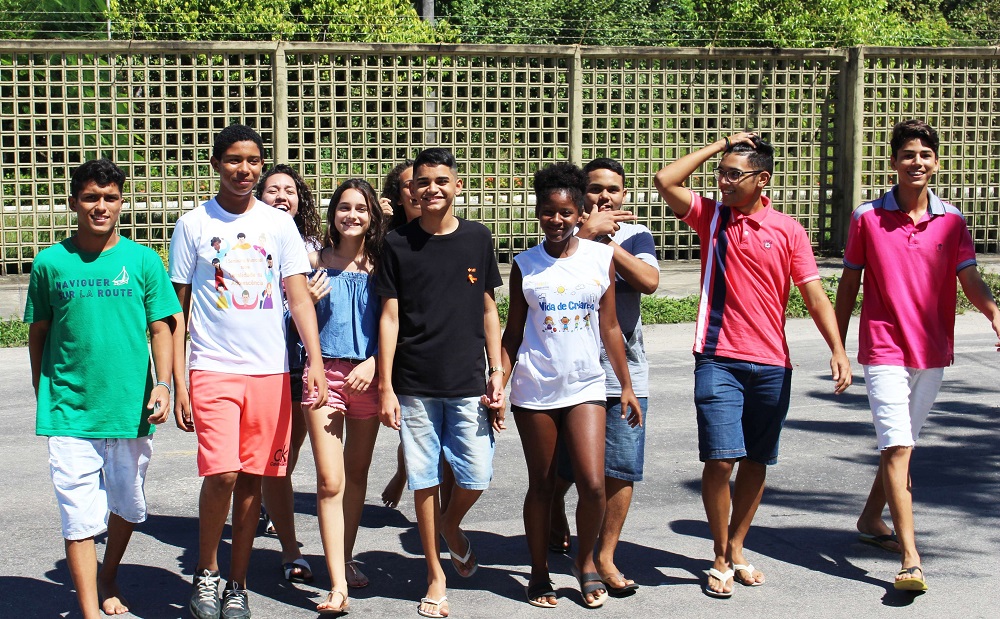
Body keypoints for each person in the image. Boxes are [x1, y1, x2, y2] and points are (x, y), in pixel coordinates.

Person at [653, 132, 851, 598]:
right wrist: (720, 145)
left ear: (763, 180)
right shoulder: (712, 217)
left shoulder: (789, 230)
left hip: (772, 363)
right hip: (718, 358)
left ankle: (737, 547)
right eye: (720, 175)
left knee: (757, 460)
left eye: (733, 175)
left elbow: (814, 295)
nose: (722, 182)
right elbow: (665, 180)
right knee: (721, 460)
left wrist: (838, 348)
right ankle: (719, 555)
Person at [833, 119, 1000, 592]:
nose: (917, 162)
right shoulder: (867, 216)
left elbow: (968, 277)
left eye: (925, 155)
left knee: (899, 447)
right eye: (908, 154)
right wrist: (838, 347)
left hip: (932, 350)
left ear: (936, 163)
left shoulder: (952, 220)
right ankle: (910, 558)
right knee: (899, 446)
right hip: (884, 347)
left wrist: (993, 312)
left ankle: (870, 519)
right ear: (893, 162)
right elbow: (849, 284)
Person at [169, 124, 328, 619]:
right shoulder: (193, 224)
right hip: (212, 368)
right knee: (222, 474)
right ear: (216, 164)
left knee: (254, 479)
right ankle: (207, 573)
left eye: (254, 161)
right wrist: (176, 381)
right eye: (234, 160)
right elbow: (177, 312)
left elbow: (298, 297)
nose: (245, 169)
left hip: (269, 373)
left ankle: (238, 583)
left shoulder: (278, 227)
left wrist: (316, 363)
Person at [25, 158, 181, 619]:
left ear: (121, 202)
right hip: (70, 409)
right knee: (78, 514)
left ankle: (108, 572)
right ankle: (90, 610)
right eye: (91, 197)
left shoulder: (143, 260)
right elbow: (39, 331)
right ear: (74, 202)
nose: (100, 206)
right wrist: (43, 387)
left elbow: (161, 328)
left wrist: (164, 385)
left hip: (129, 409)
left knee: (127, 504)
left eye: (110, 197)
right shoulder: (50, 262)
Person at [500, 162, 642, 608]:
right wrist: (498, 385)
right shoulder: (525, 265)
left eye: (565, 212)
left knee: (593, 483)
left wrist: (626, 386)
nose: (556, 220)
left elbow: (612, 328)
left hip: (585, 387)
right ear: (538, 212)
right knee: (541, 484)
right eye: (548, 212)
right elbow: (512, 332)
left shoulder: (600, 258)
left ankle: (585, 565)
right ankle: (539, 574)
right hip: (535, 390)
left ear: (581, 212)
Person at [376, 147, 505, 619]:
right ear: (411, 189)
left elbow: (489, 309)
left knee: (476, 474)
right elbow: (389, 317)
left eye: (441, 180)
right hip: (413, 383)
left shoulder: (477, 237)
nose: (432, 188)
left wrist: (496, 372)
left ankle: (451, 526)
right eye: (423, 181)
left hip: (469, 381)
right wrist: (387, 386)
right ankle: (435, 572)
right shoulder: (397, 243)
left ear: (458, 186)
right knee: (425, 479)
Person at [549, 157, 660, 594]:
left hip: (623, 372)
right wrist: (584, 234)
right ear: (581, 195)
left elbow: (649, 281)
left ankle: (604, 555)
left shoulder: (635, 236)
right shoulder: (561, 235)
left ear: (625, 196)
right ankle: (556, 506)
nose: (604, 197)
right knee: (563, 468)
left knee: (621, 467)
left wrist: (605, 244)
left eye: (613, 190)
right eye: (595, 189)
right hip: (568, 370)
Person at [301, 178, 386, 613]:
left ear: (372, 216)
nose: (352, 215)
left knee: (357, 475)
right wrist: (307, 302)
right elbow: (294, 325)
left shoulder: (382, 265)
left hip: (370, 377)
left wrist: (375, 363)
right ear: (332, 213)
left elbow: (397, 321)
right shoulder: (314, 260)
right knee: (329, 480)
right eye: (344, 207)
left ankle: (345, 557)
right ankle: (337, 585)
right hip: (324, 376)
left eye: (361, 208)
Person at [255, 164, 328, 585]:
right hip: (265, 362)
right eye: (273, 190)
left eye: (290, 190)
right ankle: (288, 543)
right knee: (273, 457)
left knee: (290, 448)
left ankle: (270, 504)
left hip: (302, 362)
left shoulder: (315, 247)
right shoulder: (251, 240)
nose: (283, 196)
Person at [378, 159, 416, 510]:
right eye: (407, 184)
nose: (417, 189)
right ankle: (406, 469)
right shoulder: (389, 234)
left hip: (430, 340)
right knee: (410, 423)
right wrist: (382, 220)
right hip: (395, 338)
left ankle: (406, 471)